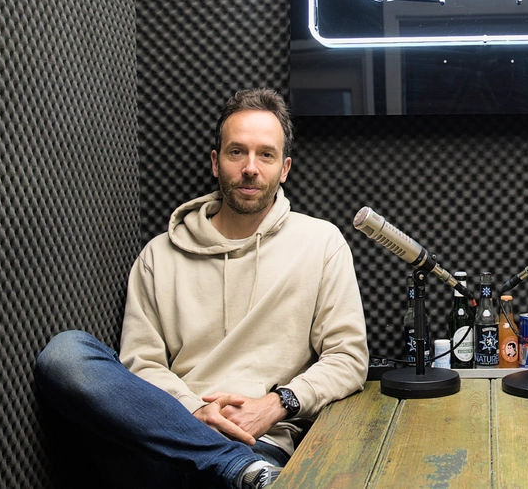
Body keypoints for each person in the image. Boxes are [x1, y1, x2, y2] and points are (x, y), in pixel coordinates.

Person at [35, 89, 368, 489]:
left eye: (266, 154)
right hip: (166, 442)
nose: (250, 168)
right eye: (236, 152)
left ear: (285, 168)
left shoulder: (321, 243)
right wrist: (193, 411)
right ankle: (236, 470)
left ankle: (240, 469)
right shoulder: (159, 255)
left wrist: (275, 404)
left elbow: (347, 358)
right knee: (65, 354)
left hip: (259, 445)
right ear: (215, 162)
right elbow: (142, 364)